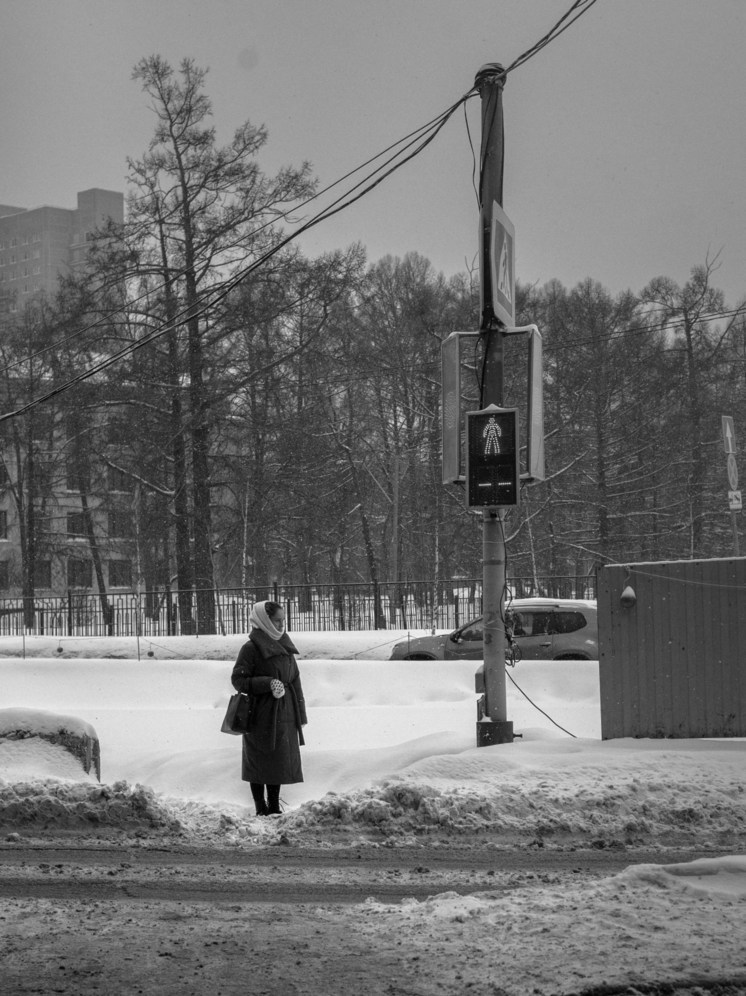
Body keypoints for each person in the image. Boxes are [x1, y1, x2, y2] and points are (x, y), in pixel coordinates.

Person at [231, 600, 307, 816]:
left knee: (278, 759)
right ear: (264, 620)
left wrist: (300, 714)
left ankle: (273, 806)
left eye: (283, 620)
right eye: (277, 620)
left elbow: (295, 679)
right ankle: (260, 806)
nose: (282, 624)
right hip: (260, 713)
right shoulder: (251, 648)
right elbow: (238, 679)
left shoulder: (284, 644)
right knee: (259, 759)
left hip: (285, 712)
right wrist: (266, 684)